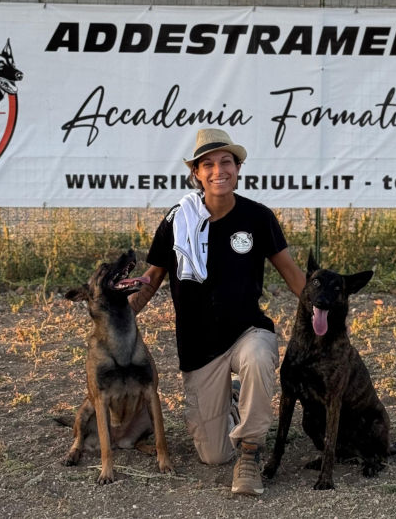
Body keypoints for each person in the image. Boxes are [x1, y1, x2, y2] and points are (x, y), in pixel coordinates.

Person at [128, 128, 305, 496]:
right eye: (207, 164)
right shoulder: (178, 220)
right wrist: (120, 313)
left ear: (238, 169)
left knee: (258, 357)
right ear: (196, 173)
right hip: (199, 347)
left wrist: (324, 313)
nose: (218, 171)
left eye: (226, 162)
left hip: (246, 332)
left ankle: (250, 454)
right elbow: (153, 277)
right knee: (214, 455)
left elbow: (292, 276)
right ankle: (235, 398)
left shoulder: (258, 217)